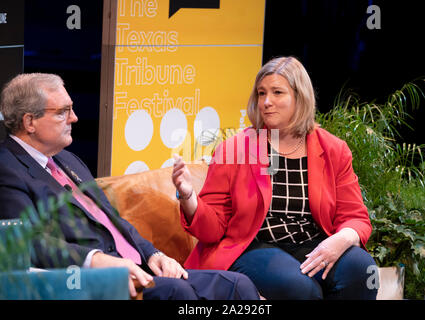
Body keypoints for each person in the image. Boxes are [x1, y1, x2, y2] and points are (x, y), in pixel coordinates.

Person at [0, 73, 260, 300]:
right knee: (179, 293)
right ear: (29, 122)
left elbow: (114, 221)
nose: (75, 118)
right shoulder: (8, 169)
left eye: (71, 108)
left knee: (238, 285)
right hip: (92, 281)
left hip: (139, 267)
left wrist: (154, 253)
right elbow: (25, 243)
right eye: (62, 112)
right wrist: (96, 260)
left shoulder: (68, 159)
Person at [172, 56, 378, 300]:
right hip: (255, 246)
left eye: (277, 92)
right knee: (301, 288)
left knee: (363, 270)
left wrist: (341, 240)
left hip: (313, 243)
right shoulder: (236, 149)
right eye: (261, 93)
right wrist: (187, 196)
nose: (266, 102)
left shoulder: (333, 149)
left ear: (299, 97)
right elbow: (213, 229)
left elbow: (355, 217)